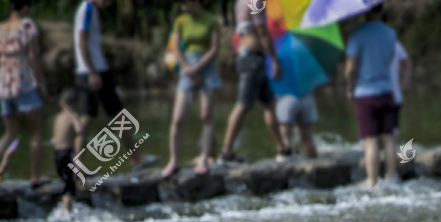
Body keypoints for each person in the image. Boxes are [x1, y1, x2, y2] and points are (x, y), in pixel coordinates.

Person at [73, 0, 157, 171]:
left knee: (86, 117)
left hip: (89, 70)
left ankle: (78, 166)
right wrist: (92, 72)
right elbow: (81, 41)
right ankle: (137, 158)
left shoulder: (90, 9)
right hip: (95, 70)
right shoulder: (88, 8)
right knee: (118, 115)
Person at [219, 0, 286, 164]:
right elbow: (262, 32)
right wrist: (275, 60)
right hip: (252, 59)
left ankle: (283, 150)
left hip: (249, 57)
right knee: (243, 105)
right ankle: (226, 152)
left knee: (270, 103)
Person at [163, 0, 222, 177]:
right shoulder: (180, 21)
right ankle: (173, 160)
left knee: (206, 115)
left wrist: (198, 68)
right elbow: (175, 48)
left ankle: (204, 158)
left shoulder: (211, 20)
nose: (182, 7)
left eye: (185, 3)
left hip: (206, 67)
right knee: (178, 118)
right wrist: (188, 68)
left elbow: (214, 48)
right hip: (186, 67)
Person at [344, 4, 399, 188]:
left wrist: (350, 87)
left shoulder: (357, 35)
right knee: (389, 138)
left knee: (371, 140)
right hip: (387, 90)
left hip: (365, 92)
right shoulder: (390, 33)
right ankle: (391, 179)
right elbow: (391, 58)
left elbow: (351, 68)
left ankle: (372, 181)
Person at [0, 0, 48, 187]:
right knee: (36, 130)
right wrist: (41, 83)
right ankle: (35, 177)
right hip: (23, 82)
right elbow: (33, 55)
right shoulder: (27, 25)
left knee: (10, 132)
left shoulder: (1, 27)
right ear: (25, 7)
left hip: (4, 84)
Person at [53, 87, 80, 212]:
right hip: (67, 153)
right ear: (75, 104)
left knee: (64, 180)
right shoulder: (72, 115)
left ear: (61, 103)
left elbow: (54, 139)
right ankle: (68, 213)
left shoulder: (58, 117)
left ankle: (66, 208)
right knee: (70, 183)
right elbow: (79, 130)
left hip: (57, 153)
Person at [274, 91, 318, 158]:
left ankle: (286, 162)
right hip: (306, 96)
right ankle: (314, 164)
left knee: (285, 137)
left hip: (286, 98)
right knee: (308, 138)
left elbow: (275, 79)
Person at [389, 38, 410, 135]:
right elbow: (407, 63)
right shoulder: (394, 43)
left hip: (369, 95)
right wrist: (404, 84)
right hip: (394, 95)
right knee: (392, 132)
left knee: (372, 136)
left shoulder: (364, 43)